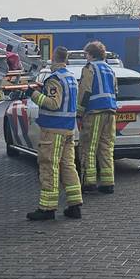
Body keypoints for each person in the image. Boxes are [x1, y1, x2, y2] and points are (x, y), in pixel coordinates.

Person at [22, 46, 83, 221]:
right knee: (68, 166)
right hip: (68, 129)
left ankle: (47, 208)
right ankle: (75, 205)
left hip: (53, 130)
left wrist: (33, 94)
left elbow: (53, 103)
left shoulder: (55, 79)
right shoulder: (71, 77)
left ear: (53, 59)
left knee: (49, 166)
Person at [78, 41, 118, 194]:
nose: (85, 57)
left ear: (91, 55)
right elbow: (115, 90)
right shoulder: (110, 69)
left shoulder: (89, 68)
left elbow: (85, 91)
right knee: (106, 147)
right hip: (110, 111)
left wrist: (79, 112)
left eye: (86, 54)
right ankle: (108, 183)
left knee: (89, 146)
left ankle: (89, 182)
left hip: (95, 112)